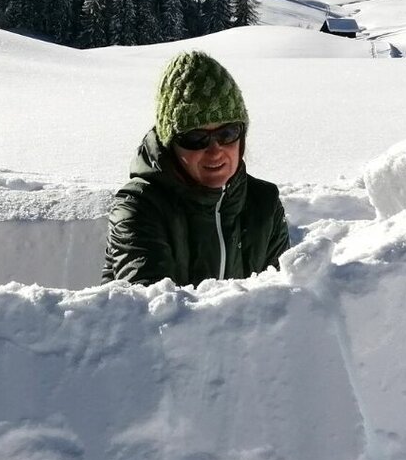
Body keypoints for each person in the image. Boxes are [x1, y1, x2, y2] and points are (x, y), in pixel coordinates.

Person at [103, 50, 290, 286]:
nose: (215, 150)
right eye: (195, 137)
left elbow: (282, 303)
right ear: (170, 144)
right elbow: (153, 313)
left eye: (228, 133)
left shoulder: (264, 203)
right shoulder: (139, 206)